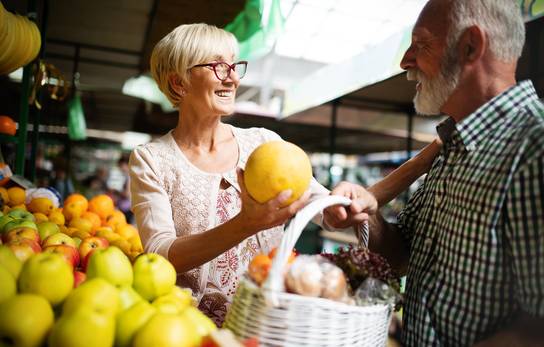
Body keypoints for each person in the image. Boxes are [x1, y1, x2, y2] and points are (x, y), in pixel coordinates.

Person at [128, 23, 440, 326]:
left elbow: (331, 213)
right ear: (179, 83)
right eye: (218, 67)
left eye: (235, 67)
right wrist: (246, 224)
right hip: (188, 329)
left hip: (272, 325)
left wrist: (425, 157)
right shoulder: (152, 160)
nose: (232, 78)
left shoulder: (263, 144)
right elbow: (160, 255)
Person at [324, 1, 544, 346]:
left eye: (421, 43)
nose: (405, 61)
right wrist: (369, 217)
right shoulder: (450, 148)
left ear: (470, 46)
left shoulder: (535, 148)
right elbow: (401, 257)